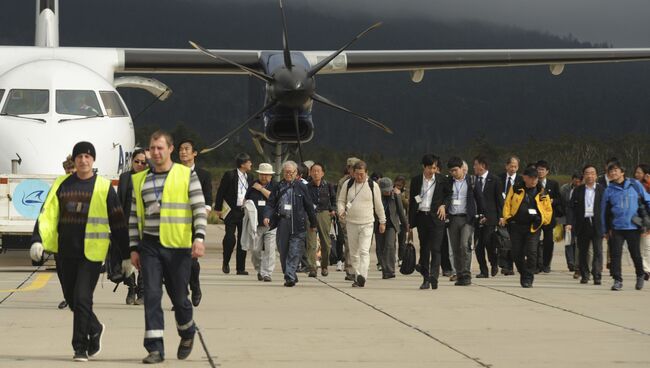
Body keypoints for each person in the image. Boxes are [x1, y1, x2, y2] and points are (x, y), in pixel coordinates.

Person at [30, 141, 131, 361]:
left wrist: (125, 256)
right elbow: (46, 214)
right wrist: (37, 239)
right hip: (65, 252)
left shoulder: (104, 187)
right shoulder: (62, 184)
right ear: (74, 160)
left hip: (91, 254)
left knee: (83, 298)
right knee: (72, 299)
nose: (83, 160)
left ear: (93, 160)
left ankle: (80, 347)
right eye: (79, 157)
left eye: (87, 156)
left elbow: (118, 222)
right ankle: (94, 328)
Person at [129, 131, 207, 363]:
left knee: (179, 297)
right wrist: (134, 247)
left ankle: (187, 329)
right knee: (152, 294)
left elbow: (199, 207)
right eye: (152, 148)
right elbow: (134, 216)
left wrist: (199, 238)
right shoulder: (140, 179)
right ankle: (155, 348)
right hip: (150, 245)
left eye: (160, 148)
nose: (156, 152)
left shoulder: (185, 175)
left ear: (170, 149)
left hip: (177, 245)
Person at [263, 161, 317, 287]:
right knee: (283, 252)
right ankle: (289, 272)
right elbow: (270, 204)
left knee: (294, 251)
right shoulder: (278, 187)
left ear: (296, 173)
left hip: (298, 224)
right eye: (286, 172)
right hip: (283, 222)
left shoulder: (302, 187)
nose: (288, 174)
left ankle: (290, 277)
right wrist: (267, 216)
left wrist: (313, 223)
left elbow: (309, 206)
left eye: (290, 172)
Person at [601, 162, 650, 291]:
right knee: (615, 255)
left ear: (622, 172)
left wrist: (647, 223)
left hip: (633, 226)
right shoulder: (608, 190)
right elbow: (603, 211)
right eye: (610, 171)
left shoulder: (634, 184)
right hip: (617, 227)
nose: (613, 173)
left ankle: (640, 274)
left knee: (636, 254)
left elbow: (647, 200)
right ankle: (617, 280)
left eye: (615, 170)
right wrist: (605, 229)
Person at [337, 160, 386, 287]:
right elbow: (341, 200)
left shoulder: (372, 185)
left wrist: (382, 221)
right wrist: (341, 210)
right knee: (353, 253)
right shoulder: (347, 184)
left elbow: (378, 205)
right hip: (351, 223)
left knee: (364, 251)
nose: (359, 177)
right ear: (353, 173)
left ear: (366, 173)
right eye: (357, 174)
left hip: (367, 223)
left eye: (362, 174)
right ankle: (357, 275)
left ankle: (363, 276)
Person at [502, 166, 553, 288]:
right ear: (524, 177)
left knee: (532, 252)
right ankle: (523, 272)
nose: (534, 180)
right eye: (531, 178)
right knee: (516, 253)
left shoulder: (542, 191)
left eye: (535, 178)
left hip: (533, 227)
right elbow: (507, 204)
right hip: (517, 226)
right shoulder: (516, 188)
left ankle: (528, 277)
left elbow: (548, 210)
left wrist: (542, 220)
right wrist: (508, 217)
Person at [178, 139, 213, 307]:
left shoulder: (204, 174)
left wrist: (201, 219)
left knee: (191, 260)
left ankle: (195, 286)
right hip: (176, 224)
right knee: (176, 262)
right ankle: (181, 295)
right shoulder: (172, 173)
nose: (183, 152)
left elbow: (207, 201)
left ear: (194, 153)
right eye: (180, 150)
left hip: (194, 223)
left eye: (186, 149)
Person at [408, 154, 451, 290]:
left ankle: (434, 276)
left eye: (434, 167)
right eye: (430, 168)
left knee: (436, 248)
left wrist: (444, 205)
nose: (432, 170)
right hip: (422, 217)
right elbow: (413, 199)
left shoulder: (442, 180)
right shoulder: (416, 180)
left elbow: (450, 195)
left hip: (437, 218)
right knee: (425, 248)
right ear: (424, 167)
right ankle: (426, 278)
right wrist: (410, 222)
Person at [117, 148, 148, 305]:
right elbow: (119, 201)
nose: (140, 165)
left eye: (143, 162)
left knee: (143, 259)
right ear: (132, 161)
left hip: (145, 225)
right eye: (137, 161)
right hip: (127, 224)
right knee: (127, 259)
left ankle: (142, 292)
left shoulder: (149, 178)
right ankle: (131, 287)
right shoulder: (125, 178)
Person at [215, 153, 253, 275]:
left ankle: (240, 268)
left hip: (244, 211)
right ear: (242, 164)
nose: (251, 164)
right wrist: (218, 208)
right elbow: (221, 191)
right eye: (249, 162)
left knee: (243, 240)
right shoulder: (230, 175)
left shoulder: (250, 177)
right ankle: (225, 261)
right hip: (231, 211)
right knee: (230, 238)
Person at [566, 165, 604, 285]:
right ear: (583, 175)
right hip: (583, 224)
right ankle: (585, 275)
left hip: (597, 223)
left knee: (598, 251)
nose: (590, 176)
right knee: (583, 251)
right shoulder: (578, 190)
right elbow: (571, 208)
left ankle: (597, 275)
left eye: (592, 173)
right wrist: (569, 223)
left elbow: (607, 208)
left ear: (596, 175)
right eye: (587, 173)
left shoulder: (602, 190)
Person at [446, 157, 479, 286]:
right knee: (455, 248)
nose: (453, 173)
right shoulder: (448, 182)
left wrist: (482, 215)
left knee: (464, 245)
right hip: (453, 218)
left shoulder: (471, 181)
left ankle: (466, 274)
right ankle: (459, 274)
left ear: (462, 168)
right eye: (451, 171)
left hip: (467, 218)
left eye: (455, 170)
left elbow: (479, 198)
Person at [245, 163, 278, 282]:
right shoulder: (252, 185)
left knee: (270, 249)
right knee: (255, 250)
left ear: (271, 176)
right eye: (262, 174)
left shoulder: (275, 185)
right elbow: (246, 199)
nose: (264, 177)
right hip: (256, 224)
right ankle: (259, 270)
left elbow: (274, 199)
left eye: (266, 175)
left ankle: (267, 273)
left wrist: (261, 189)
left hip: (271, 224)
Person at [473, 155, 504, 278]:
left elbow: (499, 199)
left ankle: (494, 262)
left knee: (488, 242)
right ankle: (483, 270)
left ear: (483, 165)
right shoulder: (473, 180)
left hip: (491, 217)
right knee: (478, 245)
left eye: (475, 164)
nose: (474, 167)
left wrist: (501, 216)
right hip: (476, 217)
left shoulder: (495, 179)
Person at [306, 162, 336, 277]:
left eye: (318, 171)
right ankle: (312, 267)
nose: (316, 173)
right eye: (313, 171)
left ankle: (324, 266)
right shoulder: (306, 187)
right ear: (310, 172)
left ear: (323, 173)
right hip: (310, 214)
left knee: (326, 243)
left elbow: (333, 199)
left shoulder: (328, 185)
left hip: (324, 214)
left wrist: (332, 209)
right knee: (311, 243)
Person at [375, 177, 408, 279]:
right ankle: (384, 270)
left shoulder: (396, 195)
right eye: (385, 191)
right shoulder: (376, 196)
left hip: (391, 225)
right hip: (379, 224)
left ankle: (390, 271)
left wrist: (406, 225)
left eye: (389, 190)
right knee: (380, 247)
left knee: (390, 246)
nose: (388, 193)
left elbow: (401, 212)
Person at [498, 155, 523, 275]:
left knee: (514, 242)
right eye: (511, 166)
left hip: (515, 216)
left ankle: (512, 265)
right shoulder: (498, 179)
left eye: (515, 166)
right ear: (506, 166)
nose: (513, 168)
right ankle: (506, 266)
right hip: (502, 215)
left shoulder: (521, 180)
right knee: (503, 242)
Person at [336, 157, 361, 278]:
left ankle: (359, 268)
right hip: (348, 218)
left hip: (362, 218)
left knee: (361, 246)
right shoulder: (344, 182)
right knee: (349, 244)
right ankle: (351, 270)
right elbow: (339, 200)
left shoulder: (366, 181)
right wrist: (341, 216)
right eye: (351, 168)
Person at [536, 160, 561, 273]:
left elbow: (559, 199)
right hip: (536, 217)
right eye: (538, 169)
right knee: (534, 241)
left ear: (547, 171)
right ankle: (536, 264)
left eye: (542, 170)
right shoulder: (533, 183)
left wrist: (552, 200)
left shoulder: (553, 184)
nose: (540, 172)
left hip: (549, 217)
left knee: (548, 241)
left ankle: (546, 264)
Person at [560, 172, 583, 276]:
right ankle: (570, 263)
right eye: (575, 181)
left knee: (577, 243)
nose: (577, 183)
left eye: (579, 181)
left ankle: (577, 262)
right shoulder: (564, 188)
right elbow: (560, 202)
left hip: (578, 220)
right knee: (569, 241)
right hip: (566, 218)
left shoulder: (583, 189)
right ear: (572, 180)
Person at [633, 164, 650, 281]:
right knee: (641, 247)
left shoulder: (646, 186)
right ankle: (645, 269)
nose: (637, 174)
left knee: (646, 247)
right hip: (639, 220)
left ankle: (646, 269)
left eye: (639, 172)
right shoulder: (633, 185)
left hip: (647, 219)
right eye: (636, 172)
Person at [393, 175, 409, 265]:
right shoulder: (390, 190)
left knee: (402, 241)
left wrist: (400, 196)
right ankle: (393, 257)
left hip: (402, 219)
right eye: (397, 184)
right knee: (392, 241)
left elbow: (408, 204)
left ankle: (401, 258)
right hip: (393, 219)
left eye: (400, 185)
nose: (398, 186)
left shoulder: (406, 192)